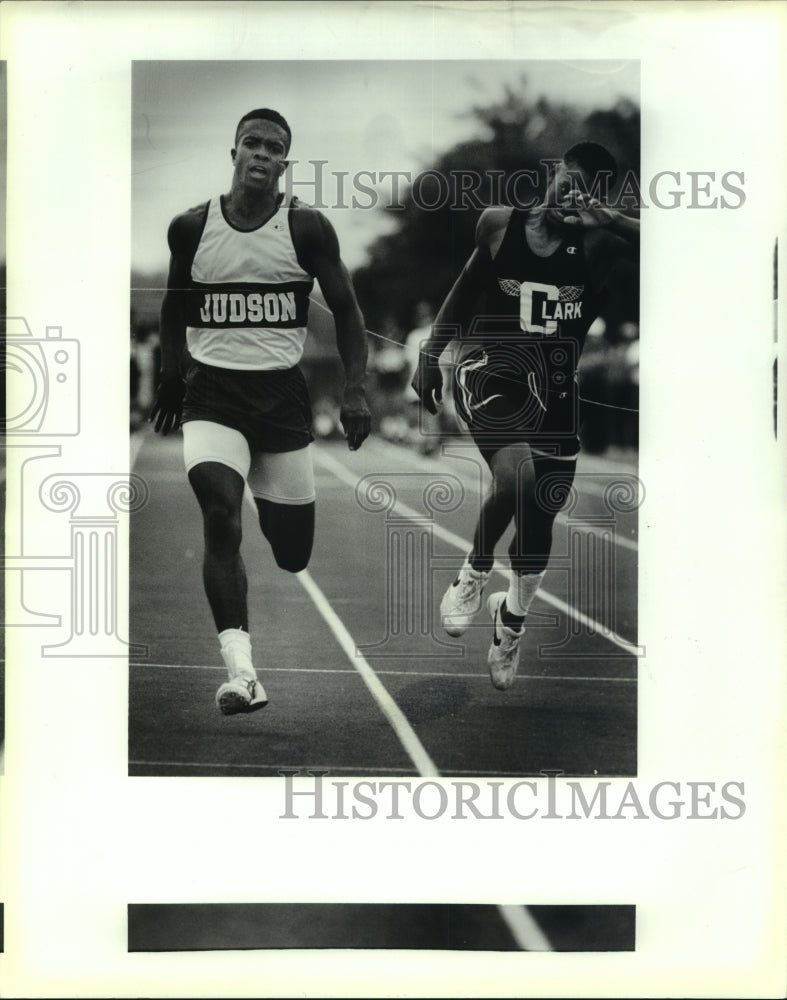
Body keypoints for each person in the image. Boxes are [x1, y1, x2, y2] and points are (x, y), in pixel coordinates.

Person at [149, 108, 370, 715]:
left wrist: (354, 389)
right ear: (234, 153)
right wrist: (171, 373)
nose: (262, 155)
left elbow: (349, 313)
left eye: (275, 148)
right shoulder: (191, 228)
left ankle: (275, 508)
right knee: (221, 516)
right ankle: (242, 673)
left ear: (285, 164)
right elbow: (172, 305)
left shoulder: (307, 229)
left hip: (280, 399)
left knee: (291, 552)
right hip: (213, 395)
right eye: (252, 143)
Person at [411, 141, 638, 690]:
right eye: (568, 177)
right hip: (489, 373)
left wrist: (611, 218)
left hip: (556, 392)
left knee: (539, 519)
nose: (571, 190)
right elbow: (462, 294)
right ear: (555, 172)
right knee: (519, 477)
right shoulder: (497, 225)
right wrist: (428, 356)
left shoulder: (600, 243)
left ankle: (510, 622)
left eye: (586, 186)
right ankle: (473, 572)